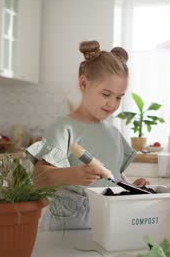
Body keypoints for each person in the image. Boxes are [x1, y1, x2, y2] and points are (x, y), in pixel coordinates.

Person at [26, 40, 149, 230]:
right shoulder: (64, 128)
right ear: (84, 83)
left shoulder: (114, 134)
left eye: (118, 97)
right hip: (66, 229)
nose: (112, 104)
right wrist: (74, 174)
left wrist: (131, 187)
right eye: (106, 94)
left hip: (107, 226)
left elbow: (112, 178)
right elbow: (39, 176)